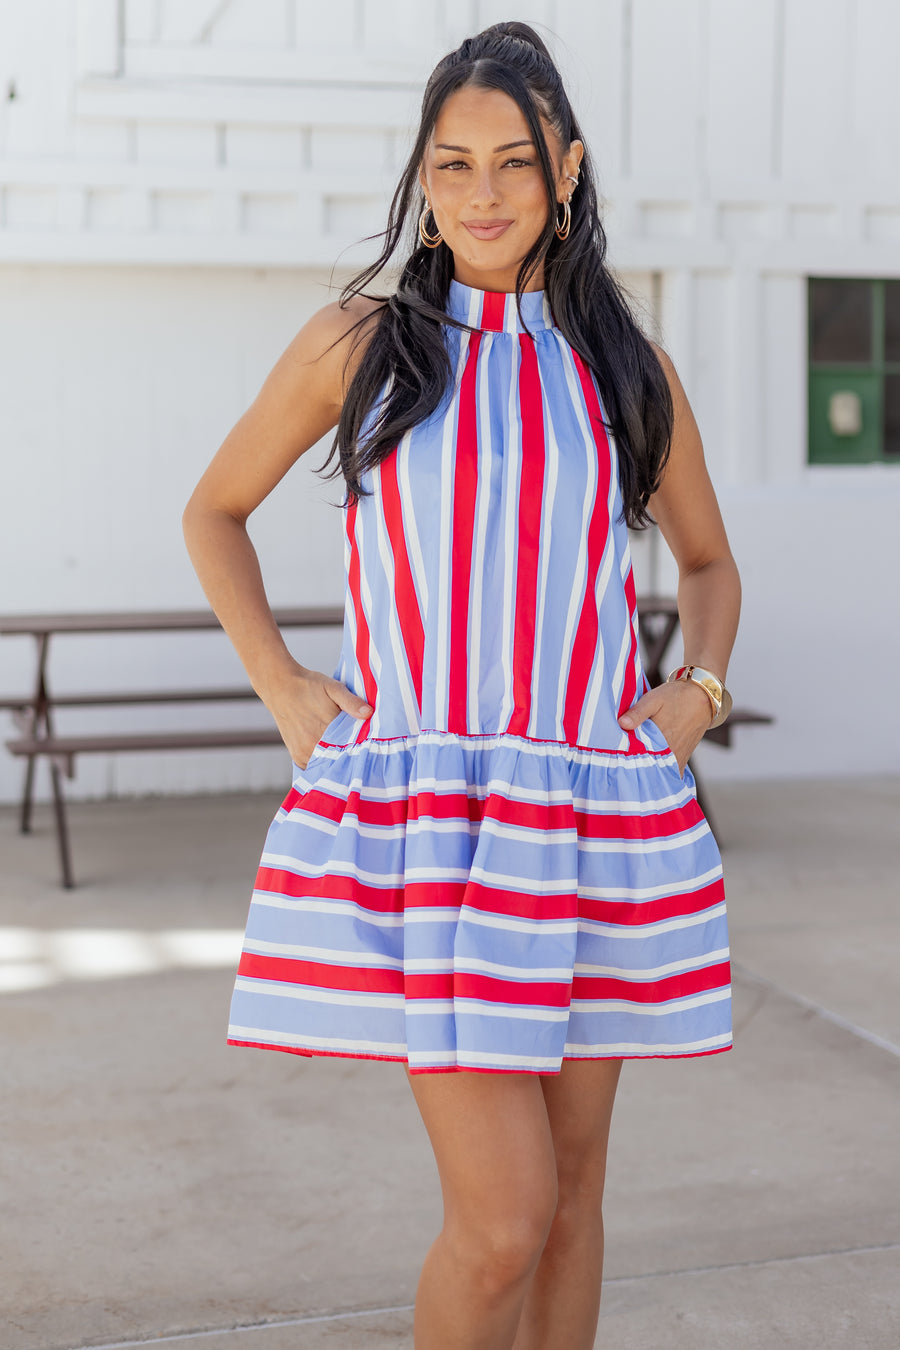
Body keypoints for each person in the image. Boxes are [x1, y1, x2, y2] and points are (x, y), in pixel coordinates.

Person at [182, 20, 741, 1350]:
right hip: (434, 829)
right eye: (453, 165)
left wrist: (697, 688)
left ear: (568, 170)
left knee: (574, 1195)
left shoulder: (624, 368)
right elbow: (215, 510)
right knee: (502, 1216)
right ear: (423, 180)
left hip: (594, 814)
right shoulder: (359, 343)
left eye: (514, 163)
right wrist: (283, 682)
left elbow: (711, 561)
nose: (483, 196)